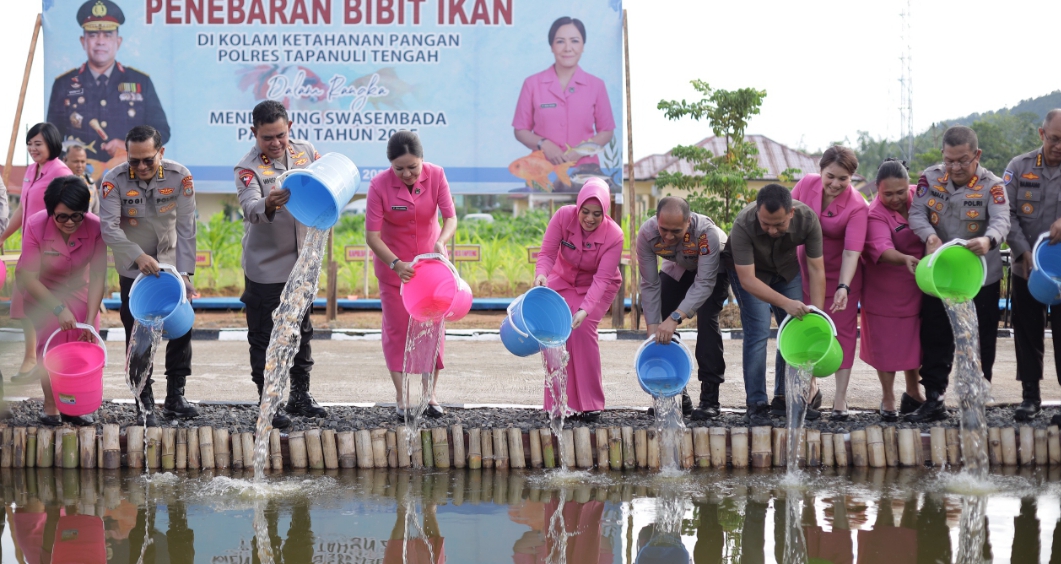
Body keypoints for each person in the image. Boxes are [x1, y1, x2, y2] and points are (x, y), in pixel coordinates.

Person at [906, 125, 1011, 423]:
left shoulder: (993, 185)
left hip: (980, 279)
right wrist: (928, 236)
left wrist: (989, 240)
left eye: (962, 161)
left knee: (980, 341)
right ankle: (934, 399)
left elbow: (1003, 220)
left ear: (976, 155)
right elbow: (917, 212)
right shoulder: (931, 177)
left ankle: (975, 402)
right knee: (935, 337)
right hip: (939, 275)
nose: (954, 168)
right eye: (949, 160)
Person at [235, 100, 327, 430]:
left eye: (280, 135)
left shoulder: (305, 151)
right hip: (265, 269)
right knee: (264, 338)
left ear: (289, 128)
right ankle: (269, 403)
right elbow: (250, 209)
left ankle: (300, 396)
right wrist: (268, 202)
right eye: (267, 138)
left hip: (302, 263)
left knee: (301, 331)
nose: (275, 143)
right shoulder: (247, 168)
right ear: (254, 134)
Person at [100, 125, 198, 426]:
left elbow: (186, 227)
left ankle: (176, 397)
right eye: (134, 160)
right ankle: (143, 403)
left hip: (170, 264)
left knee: (182, 328)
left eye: (148, 160)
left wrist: (185, 273)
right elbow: (109, 228)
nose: (141, 167)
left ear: (161, 152)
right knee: (137, 334)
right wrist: (137, 255)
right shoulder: (112, 181)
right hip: (133, 269)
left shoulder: (180, 177)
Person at [366, 131, 458, 419]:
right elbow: (372, 236)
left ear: (422, 160)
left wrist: (441, 241)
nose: (406, 174)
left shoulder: (437, 175)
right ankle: (402, 397)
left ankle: (429, 395)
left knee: (432, 329)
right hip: (397, 271)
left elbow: (450, 218)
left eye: (412, 167)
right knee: (397, 331)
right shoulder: (379, 186)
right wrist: (396, 264)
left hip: (432, 270)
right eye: (399, 168)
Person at [723, 183, 826, 426]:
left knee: (793, 329)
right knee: (758, 331)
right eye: (765, 223)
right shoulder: (743, 225)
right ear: (757, 212)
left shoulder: (808, 219)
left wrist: (817, 315)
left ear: (791, 213)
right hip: (750, 275)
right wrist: (787, 303)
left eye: (778, 224)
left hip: (785, 271)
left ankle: (784, 397)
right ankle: (756, 404)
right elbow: (747, 280)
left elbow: (816, 268)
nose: (771, 230)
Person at [16, 175, 106, 426]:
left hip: (79, 287)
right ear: (50, 212)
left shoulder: (96, 227)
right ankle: (51, 403)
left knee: (85, 345)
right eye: (61, 216)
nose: (69, 222)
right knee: (49, 346)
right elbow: (29, 276)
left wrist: (89, 320)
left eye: (76, 216)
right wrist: (57, 308)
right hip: (42, 288)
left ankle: (76, 404)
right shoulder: (36, 225)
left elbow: (99, 275)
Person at [533, 178, 622, 422]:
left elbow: (603, 279)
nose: (590, 218)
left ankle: (590, 404)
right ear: (578, 206)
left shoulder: (614, 236)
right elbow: (548, 253)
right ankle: (557, 403)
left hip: (597, 286)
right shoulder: (563, 216)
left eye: (597, 213)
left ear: (605, 211)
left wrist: (585, 309)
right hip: (562, 280)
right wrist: (541, 274)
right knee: (554, 330)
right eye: (585, 211)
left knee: (582, 331)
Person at [792, 146, 868, 421]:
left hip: (841, 276)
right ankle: (811, 387)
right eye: (830, 176)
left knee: (843, 334)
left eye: (843, 179)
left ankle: (840, 398)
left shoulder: (857, 205)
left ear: (852, 178)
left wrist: (844, 287)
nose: (835, 184)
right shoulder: (805, 185)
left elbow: (852, 252)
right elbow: (787, 222)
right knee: (808, 329)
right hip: (804, 272)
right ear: (820, 171)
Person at [636, 196, 729, 419]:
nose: (668, 236)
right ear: (656, 220)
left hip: (713, 270)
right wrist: (653, 331)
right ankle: (676, 394)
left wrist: (676, 317)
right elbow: (650, 285)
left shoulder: (707, 234)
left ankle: (710, 398)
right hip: (678, 266)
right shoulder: (647, 234)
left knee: (707, 321)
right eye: (663, 229)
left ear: (688, 222)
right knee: (659, 316)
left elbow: (705, 282)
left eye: (675, 231)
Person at [47, 0, 170, 159]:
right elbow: (52, 138)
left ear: (118, 42)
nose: (100, 41)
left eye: (107, 34)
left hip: (128, 175)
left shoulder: (140, 82)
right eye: (92, 35)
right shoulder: (64, 84)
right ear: (83, 41)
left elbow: (162, 131)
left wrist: (131, 145)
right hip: (79, 178)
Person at [0, 123, 73, 384]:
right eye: (30, 144)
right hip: (29, 249)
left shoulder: (60, 172)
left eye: (38, 144)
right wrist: (2, 236)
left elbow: (63, 214)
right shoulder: (32, 170)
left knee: (44, 306)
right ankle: (31, 358)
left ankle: (45, 362)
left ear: (52, 144)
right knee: (25, 306)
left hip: (49, 251)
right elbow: (22, 210)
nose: (32, 149)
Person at [512, 17, 615, 188]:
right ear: (551, 46)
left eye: (575, 41)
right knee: (544, 212)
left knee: (585, 213)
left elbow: (607, 131)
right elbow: (520, 130)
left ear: (583, 46)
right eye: (560, 41)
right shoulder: (532, 84)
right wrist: (543, 144)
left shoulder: (596, 85)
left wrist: (579, 152)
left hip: (586, 172)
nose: (568, 48)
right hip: (543, 171)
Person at [1005, 109, 1061, 422]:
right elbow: (1006, 213)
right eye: (1054, 139)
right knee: (1027, 331)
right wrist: (1022, 251)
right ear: (1042, 135)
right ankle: (1030, 397)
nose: (1059, 146)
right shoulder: (1019, 166)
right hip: (1026, 266)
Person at [860, 159, 927, 421]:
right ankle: (887, 397)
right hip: (884, 288)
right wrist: (904, 259)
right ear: (877, 188)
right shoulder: (875, 212)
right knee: (886, 347)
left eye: (900, 192)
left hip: (917, 284)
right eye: (888, 193)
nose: (896, 198)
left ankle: (913, 392)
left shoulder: (918, 198)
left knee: (915, 344)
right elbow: (881, 248)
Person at [63, 144, 101, 215]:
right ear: (65, 160)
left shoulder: (90, 183)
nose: (80, 166)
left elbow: (96, 212)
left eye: (83, 162)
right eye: (76, 161)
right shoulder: (58, 182)